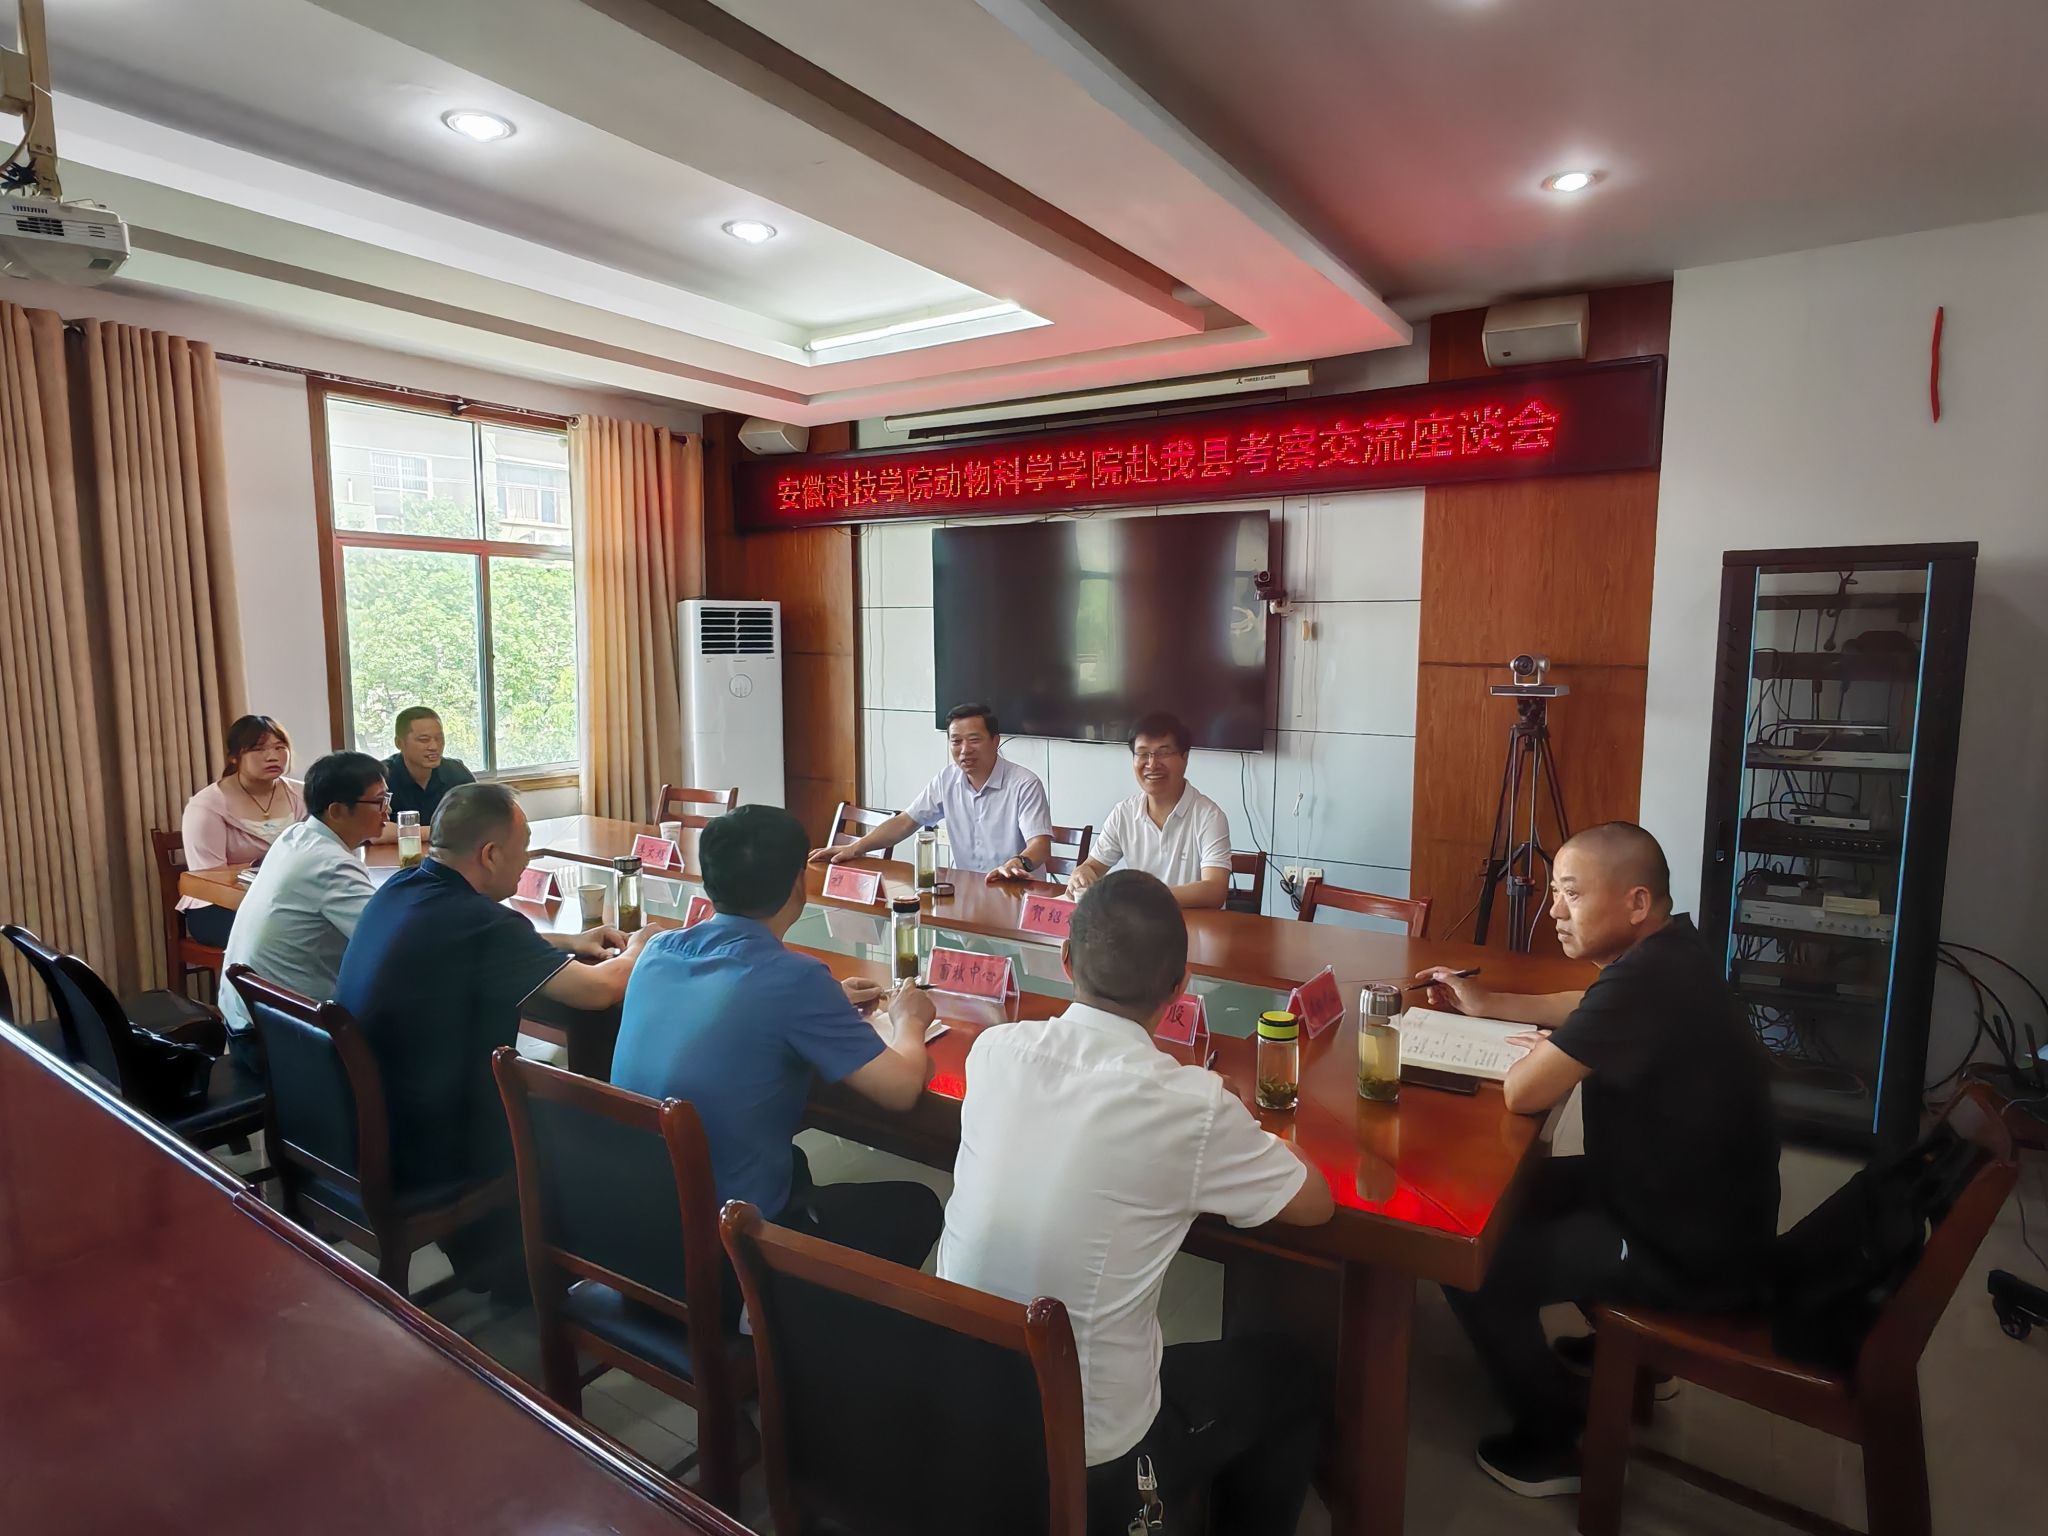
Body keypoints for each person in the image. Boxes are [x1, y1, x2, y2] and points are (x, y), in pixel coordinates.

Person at [938, 870, 1335, 1536]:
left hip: (958, 1408)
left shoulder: (994, 1051)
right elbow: (1315, 1202)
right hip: (1093, 1460)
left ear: (1066, 960)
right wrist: (1249, 1127)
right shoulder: (1191, 1105)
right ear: (1180, 988)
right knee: (1289, 1373)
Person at [1416, 821, 1779, 1499]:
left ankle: (1555, 1435)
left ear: (1637, 902)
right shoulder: (1671, 952)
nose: (1553, 910)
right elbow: (1590, 1002)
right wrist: (1492, 1004)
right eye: (1556, 892)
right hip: (1681, 1196)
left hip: (1686, 1245)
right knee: (1489, 1202)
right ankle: (1628, 1362)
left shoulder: (1649, 979)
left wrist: (1535, 1056)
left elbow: (1524, 1093)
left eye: (1571, 893)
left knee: (1469, 1256)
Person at [615, 804, 944, 1271]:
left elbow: (738, 1004)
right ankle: (778, 1308)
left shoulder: (657, 951)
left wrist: (826, 1001)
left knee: (798, 1164)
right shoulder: (794, 980)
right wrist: (910, 1019)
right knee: (917, 1205)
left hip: (637, 1218)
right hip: (726, 1242)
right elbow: (901, 1089)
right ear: (798, 885)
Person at [335, 783, 649, 1207]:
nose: (528, 860)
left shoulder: (403, 885)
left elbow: (479, 941)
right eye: (524, 847)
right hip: (433, 1144)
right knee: (588, 1119)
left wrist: (570, 941)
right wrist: (642, 946)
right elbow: (599, 990)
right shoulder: (481, 922)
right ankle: (562, 1230)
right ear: (491, 855)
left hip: (362, 1121)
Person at [218, 752, 389, 1063]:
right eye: (378, 801)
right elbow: (389, 942)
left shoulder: (297, 835)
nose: (387, 810)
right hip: (277, 1039)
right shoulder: (330, 864)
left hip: (247, 1020)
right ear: (337, 810)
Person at [808, 702, 1053, 881]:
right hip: (967, 891)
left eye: (974, 740)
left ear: (995, 741)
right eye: (956, 741)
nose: (964, 750)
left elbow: (1040, 846)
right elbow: (905, 822)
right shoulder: (947, 779)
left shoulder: (1024, 784)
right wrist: (855, 848)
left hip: (1016, 890)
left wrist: (1017, 863)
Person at [1062, 712, 1231, 909]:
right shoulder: (1124, 813)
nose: (1152, 764)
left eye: (1163, 753)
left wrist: (1141, 897)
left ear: (1185, 758)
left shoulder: (1209, 817)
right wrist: (1081, 873)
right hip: (1139, 923)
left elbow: (1214, 890)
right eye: (1143, 754)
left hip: (1191, 923)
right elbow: (1093, 866)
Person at [178, 714, 307, 947]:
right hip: (218, 906)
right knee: (291, 936)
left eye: (280, 747)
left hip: (287, 899)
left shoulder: (304, 795)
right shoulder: (206, 806)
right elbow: (210, 878)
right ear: (234, 757)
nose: (272, 756)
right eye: (258, 749)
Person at [380, 706, 476, 832]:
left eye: (439, 739)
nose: (434, 747)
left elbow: (481, 820)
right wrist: (437, 833)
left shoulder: (457, 773)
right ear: (399, 743)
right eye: (424, 740)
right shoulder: (381, 777)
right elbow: (375, 832)